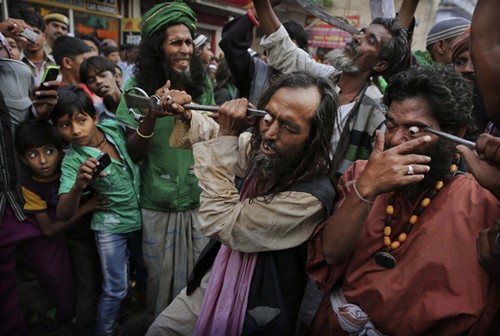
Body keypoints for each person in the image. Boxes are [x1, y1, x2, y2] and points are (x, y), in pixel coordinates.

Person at [307, 65, 500, 335]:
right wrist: (367, 189)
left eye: (414, 130)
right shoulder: (362, 174)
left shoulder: (483, 199)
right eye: (391, 124)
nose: (396, 139)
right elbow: (331, 253)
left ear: (455, 131)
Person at [147, 70, 337, 336]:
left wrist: (226, 133)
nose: (270, 133)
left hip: (257, 302)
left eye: (290, 127)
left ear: (313, 139)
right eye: (267, 117)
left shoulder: (309, 198)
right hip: (216, 278)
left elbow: (222, 222)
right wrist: (187, 115)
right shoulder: (273, 151)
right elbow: (226, 142)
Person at [115, 0, 214, 322]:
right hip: (157, 199)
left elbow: (213, 137)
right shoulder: (135, 87)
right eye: (176, 42)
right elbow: (134, 152)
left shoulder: (203, 83)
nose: (185, 49)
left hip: (199, 198)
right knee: (159, 278)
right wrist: (151, 114)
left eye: (189, 42)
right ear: (158, 47)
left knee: (199, 277)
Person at [253, 0, 408, 176]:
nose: (357, 38)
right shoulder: (323, 77)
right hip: (281, 178)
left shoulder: (377, 114)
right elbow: (284, 49)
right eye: (362, 33)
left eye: (370, 41)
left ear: (380, 64)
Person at [53, 85, 142, 336]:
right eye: (65, 125)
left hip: (142, 218)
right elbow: (62, 213)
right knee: (115, 288)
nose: (76, 130)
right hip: (110, 228)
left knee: (141, 276)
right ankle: (105, 332)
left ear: (95, 117)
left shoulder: (113, 129)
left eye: (82, 120)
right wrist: (80, 186)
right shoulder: (73, 161)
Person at [0, 19, 59, 336]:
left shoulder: (19, 73)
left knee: (46, 272)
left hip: (26, 202)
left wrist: (43, 114)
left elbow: (32, 130)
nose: (6, 47)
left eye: (4, 43)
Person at [14, 119, 104, 329]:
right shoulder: (31, 188)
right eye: (34, 154)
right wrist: (86, 207)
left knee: (99, 274)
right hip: (66, 239)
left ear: (61, 150)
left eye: (49, 151)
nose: (43, 161)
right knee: (82, 281)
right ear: (24, 159)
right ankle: (82, 324)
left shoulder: (71, 169)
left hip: (93, 229)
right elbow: (48, 229)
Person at [219, 9, 309, 105]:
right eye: (280, 48)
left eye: (291, 50)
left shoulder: (308, 87)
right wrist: (258, 11)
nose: (285, 55)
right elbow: (230, 41)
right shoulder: (255, 72)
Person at [10, 9, 56, 85]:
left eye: (35, 33)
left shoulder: (56, 63)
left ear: (44, 36)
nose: (32, 38)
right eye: (26, 33)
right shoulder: (14, 65)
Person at [52, 35, 96, 99]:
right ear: (67, 62)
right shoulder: (55, 97)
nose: (91, 65)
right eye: (85, 60)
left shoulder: (95, 88)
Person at [80, 56, 122, 121]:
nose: (98, 81)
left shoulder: (136, 102)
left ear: (115, 76)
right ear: (89, 88)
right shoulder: (94, 114)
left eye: (103, 75)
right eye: (91, 80)